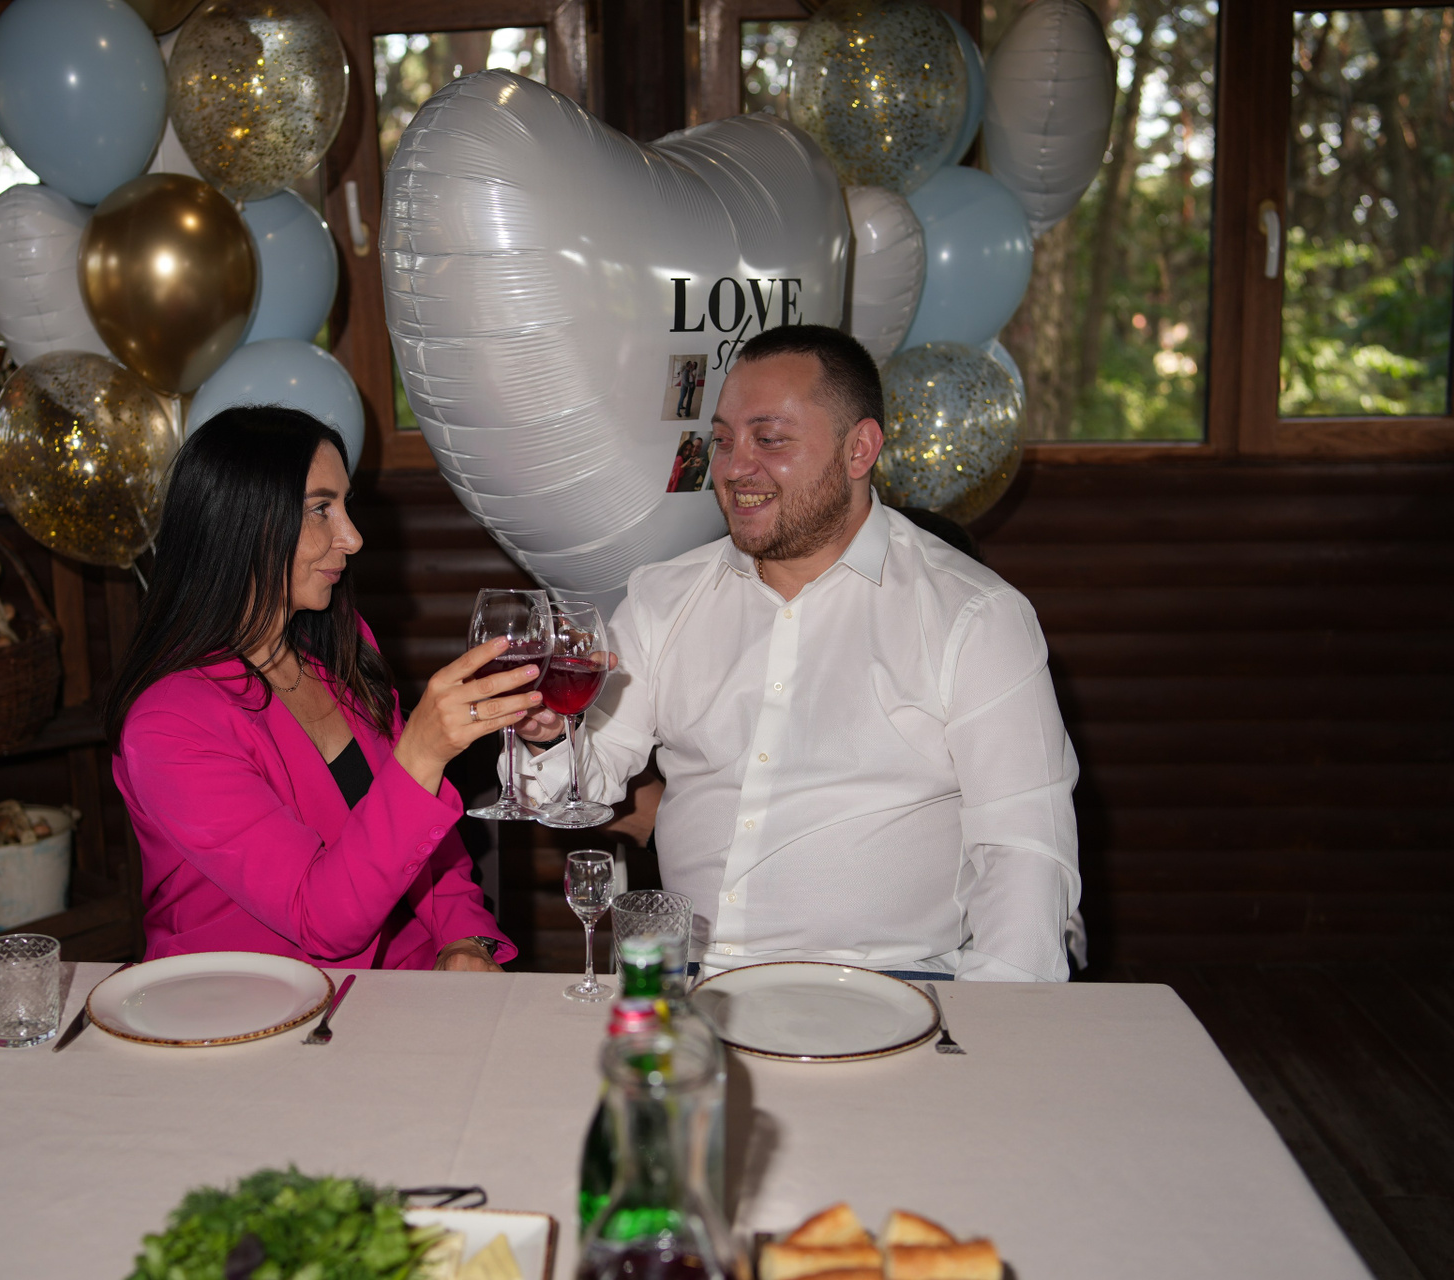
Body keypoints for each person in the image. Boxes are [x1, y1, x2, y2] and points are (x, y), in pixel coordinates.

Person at [509, 325, 1080, 981]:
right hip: (688, 982)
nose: (733, 468)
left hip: (890, 989)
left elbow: (1024, 853)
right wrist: (546, 735)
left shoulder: (975, 615)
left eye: (770, 439)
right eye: (723, 440)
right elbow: (575, 784)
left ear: (859, 448)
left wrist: (994, 1023)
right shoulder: (664, 597)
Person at [108, 407, 534, 971]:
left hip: (398, 987)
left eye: (344, 506)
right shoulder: (170, 724)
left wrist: (465, 940)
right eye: (320, 509)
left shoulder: (339, 647)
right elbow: (321, 920)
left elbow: (422, 840)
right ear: (243, 523)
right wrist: (423, 752)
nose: (352, 538)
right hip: (250, 1004)